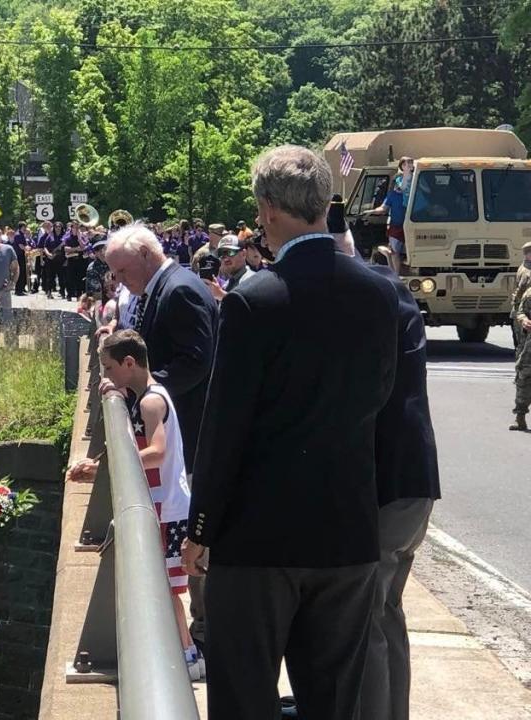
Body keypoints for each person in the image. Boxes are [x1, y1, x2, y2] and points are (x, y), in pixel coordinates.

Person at [182, 144, 399, 720]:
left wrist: (201, 525)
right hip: (346, 535)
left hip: (259, 542)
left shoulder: (254, 300)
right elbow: (379, 401)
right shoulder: (382, 293)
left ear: (270, 210)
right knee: (333, 704)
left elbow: (224, 427)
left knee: (244, 701)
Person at [103, 223, 218, 651]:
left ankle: (204, 634)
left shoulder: (181, 290)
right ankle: (199, 630)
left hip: (190, 431)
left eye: (122, 270)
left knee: (196, 533)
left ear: (147, 256)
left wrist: (147, 389)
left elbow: (197, 361)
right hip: (181, 428)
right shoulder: (164, 287)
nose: (119, 280)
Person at [66, 329, 204, 679]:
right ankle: (187, 651)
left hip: (168, 509)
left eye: (109, 368)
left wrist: (103, 466)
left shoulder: (150, 401)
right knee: (165, 585)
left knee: (168, 589)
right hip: (166, 505)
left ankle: (189, 656)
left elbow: (157, 452)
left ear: (130, 363)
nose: (106, 376)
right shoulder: (151, 394)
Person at [358, 264, 441, 720]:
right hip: (415, 486)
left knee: (367, 616)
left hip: (388, 489)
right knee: (388, 612)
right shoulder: (401, 311)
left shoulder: (374, 310)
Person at [368, 157, 413, 274]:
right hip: (396, 226)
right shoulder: (392, 195)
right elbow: (383, 208)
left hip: (412, 226)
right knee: (395, 252)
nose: (400, 183)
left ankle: (391, 262)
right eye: (398, 180)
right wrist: (371, 211)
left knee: (408, 252)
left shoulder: (413, 194)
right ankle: (396, 276)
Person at [206, 234, 256, 301]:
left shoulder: (252, 280)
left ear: (243, 254)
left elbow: (252, 308)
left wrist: (222, 296)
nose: (225, 258)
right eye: (221, 253)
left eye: (230, 252)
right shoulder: (227, 284)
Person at [511, 283, 531, 431]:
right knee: (523, 377)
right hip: (529, 346)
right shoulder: (529, 294)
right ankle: (520, 417)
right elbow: (520, 311)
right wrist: (524, 320)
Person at [510, 242, 531, 348]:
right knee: (522, 347)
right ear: (527, 255)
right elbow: (520, 293)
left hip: (522, 312)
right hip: (524, 313)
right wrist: (521, 316)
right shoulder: (526, 272)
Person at [11, 222, 31, 296]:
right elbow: (21, 246)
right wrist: (27, 249)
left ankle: (22, 288)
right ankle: (18, 290)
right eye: (24, 227)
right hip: (19, 256)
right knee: (20, 272)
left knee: (24, 273)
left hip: (23, 255)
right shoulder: (18, 235)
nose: (25, 228)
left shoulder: (22, 234)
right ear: (21, 227)